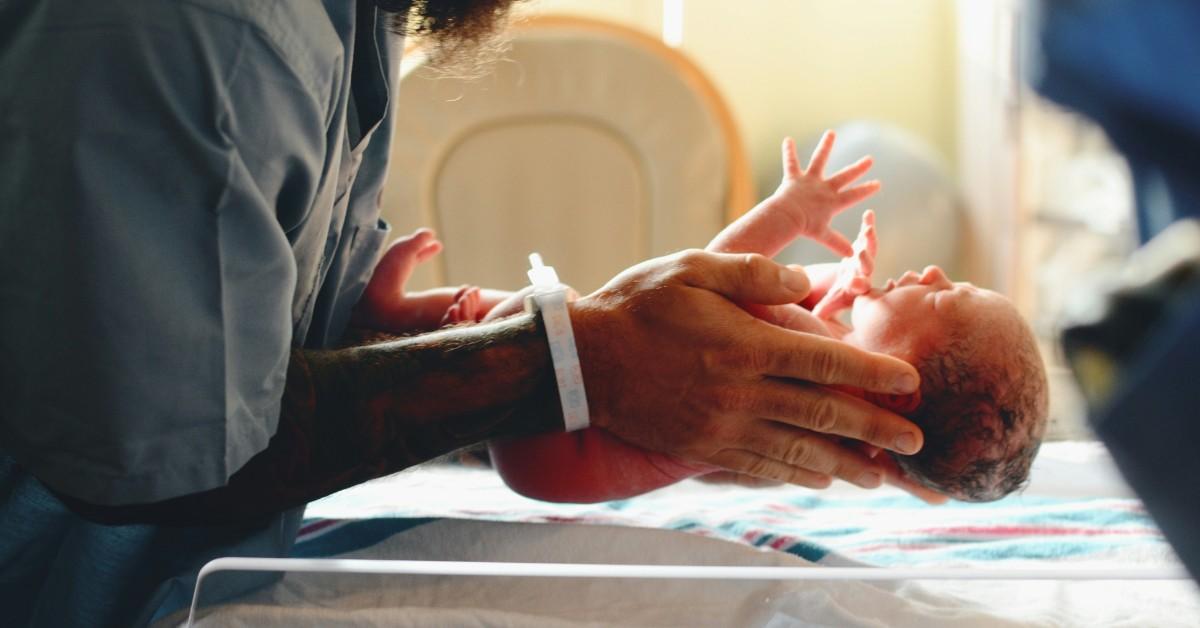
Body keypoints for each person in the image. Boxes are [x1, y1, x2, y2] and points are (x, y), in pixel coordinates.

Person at [0, 2, 927, 625]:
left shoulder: (346, 25)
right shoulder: (200, 32)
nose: (926, 275)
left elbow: (203, 345)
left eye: (944, 302)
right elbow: (163, 450)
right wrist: (570, 357)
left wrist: (372, 335)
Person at [384, 133, 1048, 503]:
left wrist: (792, 213)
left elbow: (703, 285)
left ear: (902, 385)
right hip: (563, 464)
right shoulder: (851, 430)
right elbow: (924, 475)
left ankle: (387, 316)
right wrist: (842, 294)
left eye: (942, 298)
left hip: (566, 439)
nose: (931, 273)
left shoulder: (819, 361)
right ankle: (397, 320)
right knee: (531, 316)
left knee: (518, 313)